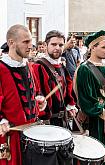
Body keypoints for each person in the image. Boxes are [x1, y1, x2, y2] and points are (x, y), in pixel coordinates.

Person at [0, 24, 46, 165]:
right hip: (11, 137)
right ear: (11, 43)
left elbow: (33, 95)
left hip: (32, 134)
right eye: (25, 42)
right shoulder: (1, 69)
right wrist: (1, 120)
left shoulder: (27, 66)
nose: (30, 46)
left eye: (31, 41)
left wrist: (40, 102)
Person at [74, 30, 105, 165]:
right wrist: (101, 111)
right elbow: (85, 99)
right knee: (98, 156)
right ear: (92, 47)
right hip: (97, 120)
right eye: (103, 47)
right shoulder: (85, 69)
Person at [31, 30, 78, 127]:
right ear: (46, 45)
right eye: (53, 44)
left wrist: (70, 105)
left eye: (61, 45)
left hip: (63, 121)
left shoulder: (61, 66)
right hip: (46, 123)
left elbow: (68, 89)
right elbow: (35, 92)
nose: (57, 48)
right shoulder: (38, 66)